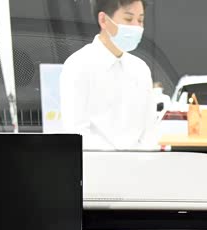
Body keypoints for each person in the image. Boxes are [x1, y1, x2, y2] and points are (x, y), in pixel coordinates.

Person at [60, 0, 156, 150]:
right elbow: (75, 132)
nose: (136, 27)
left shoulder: (141, 69)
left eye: (140, 20)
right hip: (95, 161)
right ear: (104, 20)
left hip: (138, 161)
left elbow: (149, 131)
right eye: (128, 19)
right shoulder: (78, 65)